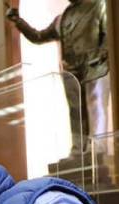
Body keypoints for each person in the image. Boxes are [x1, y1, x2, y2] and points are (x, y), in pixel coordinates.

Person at [6, 0, 110, 154]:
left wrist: (100, 55)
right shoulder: (63, 17)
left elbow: (109, 35)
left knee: (96, 107)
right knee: (75, 112)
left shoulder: (99, 5)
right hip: (71, 72)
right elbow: (39, 36)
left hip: (95, 68)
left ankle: (97, 147)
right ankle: (78, 148)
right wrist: (18, 21)